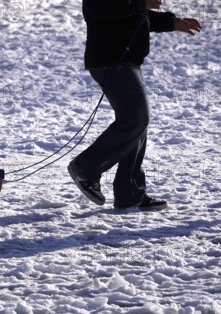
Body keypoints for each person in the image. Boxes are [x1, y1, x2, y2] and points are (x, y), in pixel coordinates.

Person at [68, 0, 201, 211]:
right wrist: (142, 3)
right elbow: (100, 9)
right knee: (136, 120)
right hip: (111, 61)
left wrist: (172, 22)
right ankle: (86, 168)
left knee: (137, 123)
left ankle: (130, 193)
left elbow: (137, 16)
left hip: (126, 61)